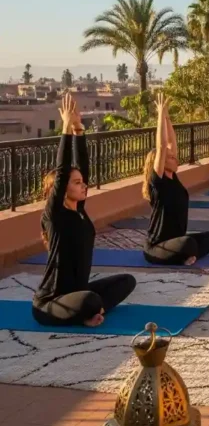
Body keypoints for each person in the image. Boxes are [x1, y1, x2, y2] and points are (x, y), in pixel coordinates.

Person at [34, 93, 136, 327]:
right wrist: (66, 130)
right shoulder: (54, 215)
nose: (84, 185)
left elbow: (83, 168)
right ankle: (89, 310)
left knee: (126, 281)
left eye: (82, 182)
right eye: (76, 183)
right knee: (90, 299)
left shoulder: (79, 210)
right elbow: (62, 171)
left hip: (77, 292)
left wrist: (79, 131)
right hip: (51, 302)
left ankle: (91, 310)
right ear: (60, 190)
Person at [142, 92, 209, 266]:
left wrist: (168, 118)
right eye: (170, 158)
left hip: (176, 241)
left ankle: (185, 254)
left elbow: (171, 142)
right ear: (160, 163)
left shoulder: (173, 178)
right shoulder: (158, 182)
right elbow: (162, 146)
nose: (175, 158)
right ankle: (185, 254)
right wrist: (160, 115)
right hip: (157, 247)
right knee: (188, 243)